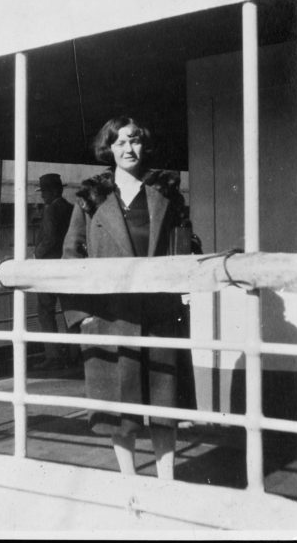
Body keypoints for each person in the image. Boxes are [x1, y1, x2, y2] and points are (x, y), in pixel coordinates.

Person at [62, 117, 198, 479]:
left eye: (134, 141)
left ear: (144, 144)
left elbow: (187, 247)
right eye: (120, 142)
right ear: (109, 148)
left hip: (159, 315)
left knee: (163, 404)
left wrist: (183, 295)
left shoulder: (167, 193)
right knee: (118, 412)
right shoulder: (91, 197)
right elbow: (70, 257)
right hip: (110, 317)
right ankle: (130, 483)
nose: (128, 149)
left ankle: (166, 482)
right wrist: (82, 318)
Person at [33, 173, 73, 369]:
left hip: (48, 267)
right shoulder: (71, 208)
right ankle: (76, 353)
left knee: (45, 311)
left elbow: (49, 239)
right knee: (70, 311)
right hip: (67, 266)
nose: (43, 196)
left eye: (45, 191)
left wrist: (35, 255)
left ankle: (53, 356)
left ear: (56, 191)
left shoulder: (50, 210)